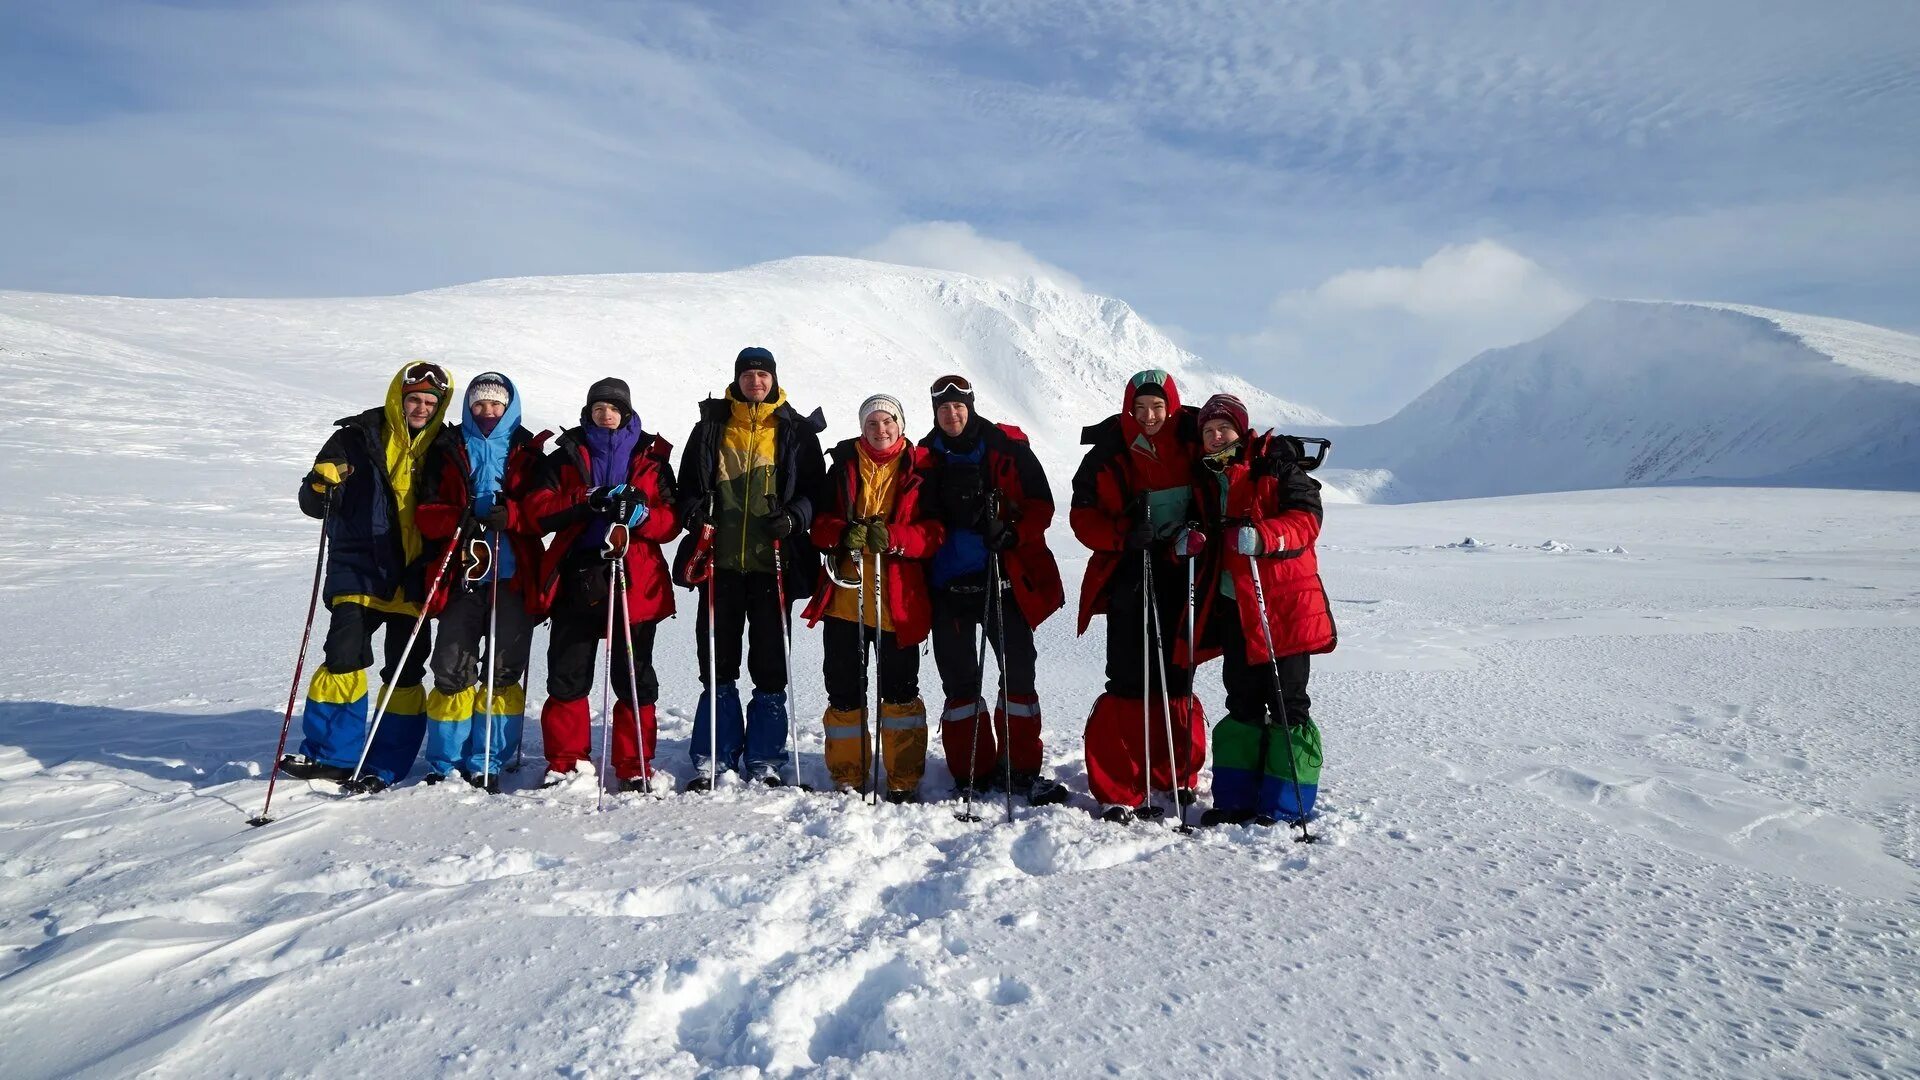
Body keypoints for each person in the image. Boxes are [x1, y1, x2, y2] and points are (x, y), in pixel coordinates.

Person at [278, 361, 453, 792]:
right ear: (399, 396)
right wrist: (321, 485)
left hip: (414, 575)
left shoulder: (449, 447)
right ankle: (332, 755)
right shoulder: (354, 438)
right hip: (359, 567)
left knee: (405, 671)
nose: (421, 408)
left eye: (430, 402)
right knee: (343, 657)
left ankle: (387, 760)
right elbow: (313, 503)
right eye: (414, 399)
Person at [673, 347, 827, 788]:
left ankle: (765, 757)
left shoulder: (795, 431)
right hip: (719, 562)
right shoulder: (711, 427)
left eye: (763, 375)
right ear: (737, 379)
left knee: (770, 662)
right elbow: (686, 486)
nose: (756, 382)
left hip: (773, 562)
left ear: (774, 379)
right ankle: (714, 756)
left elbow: (817, 491)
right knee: (717, 660)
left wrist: (795, 517)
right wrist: (694, 512)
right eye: (748, 375)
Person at [916, 375, 1069, 805]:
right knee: (960, 683)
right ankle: (972, 770)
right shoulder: (924, 457)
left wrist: (1012, 532)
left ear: (971, 405)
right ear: (935, 412)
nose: (952, 415)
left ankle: (1020, 770)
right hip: (948, 585)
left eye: (958, 406)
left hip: (1004, 579)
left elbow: (1042, 505)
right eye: (943, 408)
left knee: (1019, 675)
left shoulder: (1007, 447)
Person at [525, 378, 682, 793]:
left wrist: (643, 515)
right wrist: (586, 497)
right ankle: (566, 762)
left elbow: (673, 521)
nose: (606, 414)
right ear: (588, 412)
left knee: (633, 676)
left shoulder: (652, 458)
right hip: (578, 574)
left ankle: (634, 764)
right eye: (598, 408)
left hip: (636, 579)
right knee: (568, 673)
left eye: (613, 408)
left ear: (626, 412)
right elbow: (537, 509)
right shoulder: (565, 457)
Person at [1186, 394, 1336, 827]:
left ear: (1241, 430)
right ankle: (1236, 800)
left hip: (1284, 604)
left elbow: (1307, 520)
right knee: (1243, 700)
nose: (1216, 437)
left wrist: (1265, 536)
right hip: (1236, 604)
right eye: (1209, 431)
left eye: (1224, 429)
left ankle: (1285, 807)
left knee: (1288, 702)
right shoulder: (1206, 477)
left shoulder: (1276, 465)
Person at [1069, 369, 1207, 823]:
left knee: (1176, 673)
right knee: (1129, 675)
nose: (1149, 416)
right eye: (1141, 407)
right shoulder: (1108, 450)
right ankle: (1119, 784)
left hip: (1182, 569)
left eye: (1158, 407)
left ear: (1171, 406)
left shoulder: (1194, 439)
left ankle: (1175, 773)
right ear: (1130, 406)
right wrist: (1123, 534)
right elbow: (1082, 516)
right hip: (1129, 570)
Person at [801, 394, 945, 802]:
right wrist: (842, 534)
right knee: (844, 690)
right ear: (861, 428)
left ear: (900, 426)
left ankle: (902, 777)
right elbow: (819, 525)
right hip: (845, 597)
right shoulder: (843, 465)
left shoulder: (921, 470)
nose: (880, 430)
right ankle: (848, 774)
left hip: (897, 601)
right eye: (872, 423)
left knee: (899, 691)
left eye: (888, 422)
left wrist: (898, 539)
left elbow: (936, 531)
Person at [415, 373, 548, 793]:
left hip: (513, 575)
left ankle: (487, 757)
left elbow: (545, 510)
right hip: (461, 574)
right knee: (451, 666)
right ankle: (446, 760)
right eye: (479, 405)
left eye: (496, 405)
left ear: (509, 407)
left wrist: (513, 517)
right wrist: (458, 516)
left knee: (503, 670)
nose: (488, 412)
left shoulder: (528, 450)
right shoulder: (447, 448)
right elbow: (424, 510)